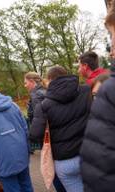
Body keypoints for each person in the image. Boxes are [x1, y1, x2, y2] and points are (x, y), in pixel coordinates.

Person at [31, 66, 91, 192]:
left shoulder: (43, 106)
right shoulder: (87, 91)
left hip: (65, 160)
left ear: (50, 80)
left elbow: (35, 134)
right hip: (89, 153)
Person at [80, 2, 115, 191]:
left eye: (113, 37)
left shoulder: (98, 87)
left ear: (85, 67)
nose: (111, 50)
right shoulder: (107, 78)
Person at [24, 72, 66, 192]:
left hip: (47, 137)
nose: (25, 85)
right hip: (56, 134)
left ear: (32, 82)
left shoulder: (36, 95)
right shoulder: (45, 91)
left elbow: (41, 119)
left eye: (26, 83)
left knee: (50, 168)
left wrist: (35, 137)